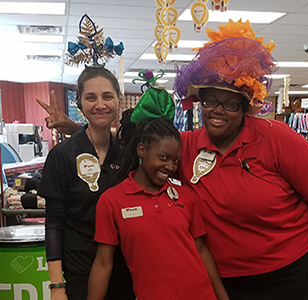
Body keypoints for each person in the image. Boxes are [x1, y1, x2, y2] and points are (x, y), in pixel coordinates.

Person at [38, 19, 308, 300]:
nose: (217, 111)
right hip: (230, 279)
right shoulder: (186, 146)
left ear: (245, 107)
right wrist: (79, 130)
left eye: (230, 105)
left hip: (292, 270)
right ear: (199, 102)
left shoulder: (276, 137)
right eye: (210, 101)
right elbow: (142, 146)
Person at [87, 76, 229, 300]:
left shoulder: (184, 195)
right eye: (163, 157)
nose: (170, 167)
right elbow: (103, 263)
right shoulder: (113, 200)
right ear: (141, 150)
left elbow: (201, 250)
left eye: (175, 160)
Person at [37, 66, 134, 300]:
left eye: (107, 96)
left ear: (119, 101)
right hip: (80, 269)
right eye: (91, 97)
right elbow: (54, 224)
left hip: (123, 269)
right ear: (80, 104)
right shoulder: (63, 155)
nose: (100, 104)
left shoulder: (127, 155)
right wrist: (56, 286)